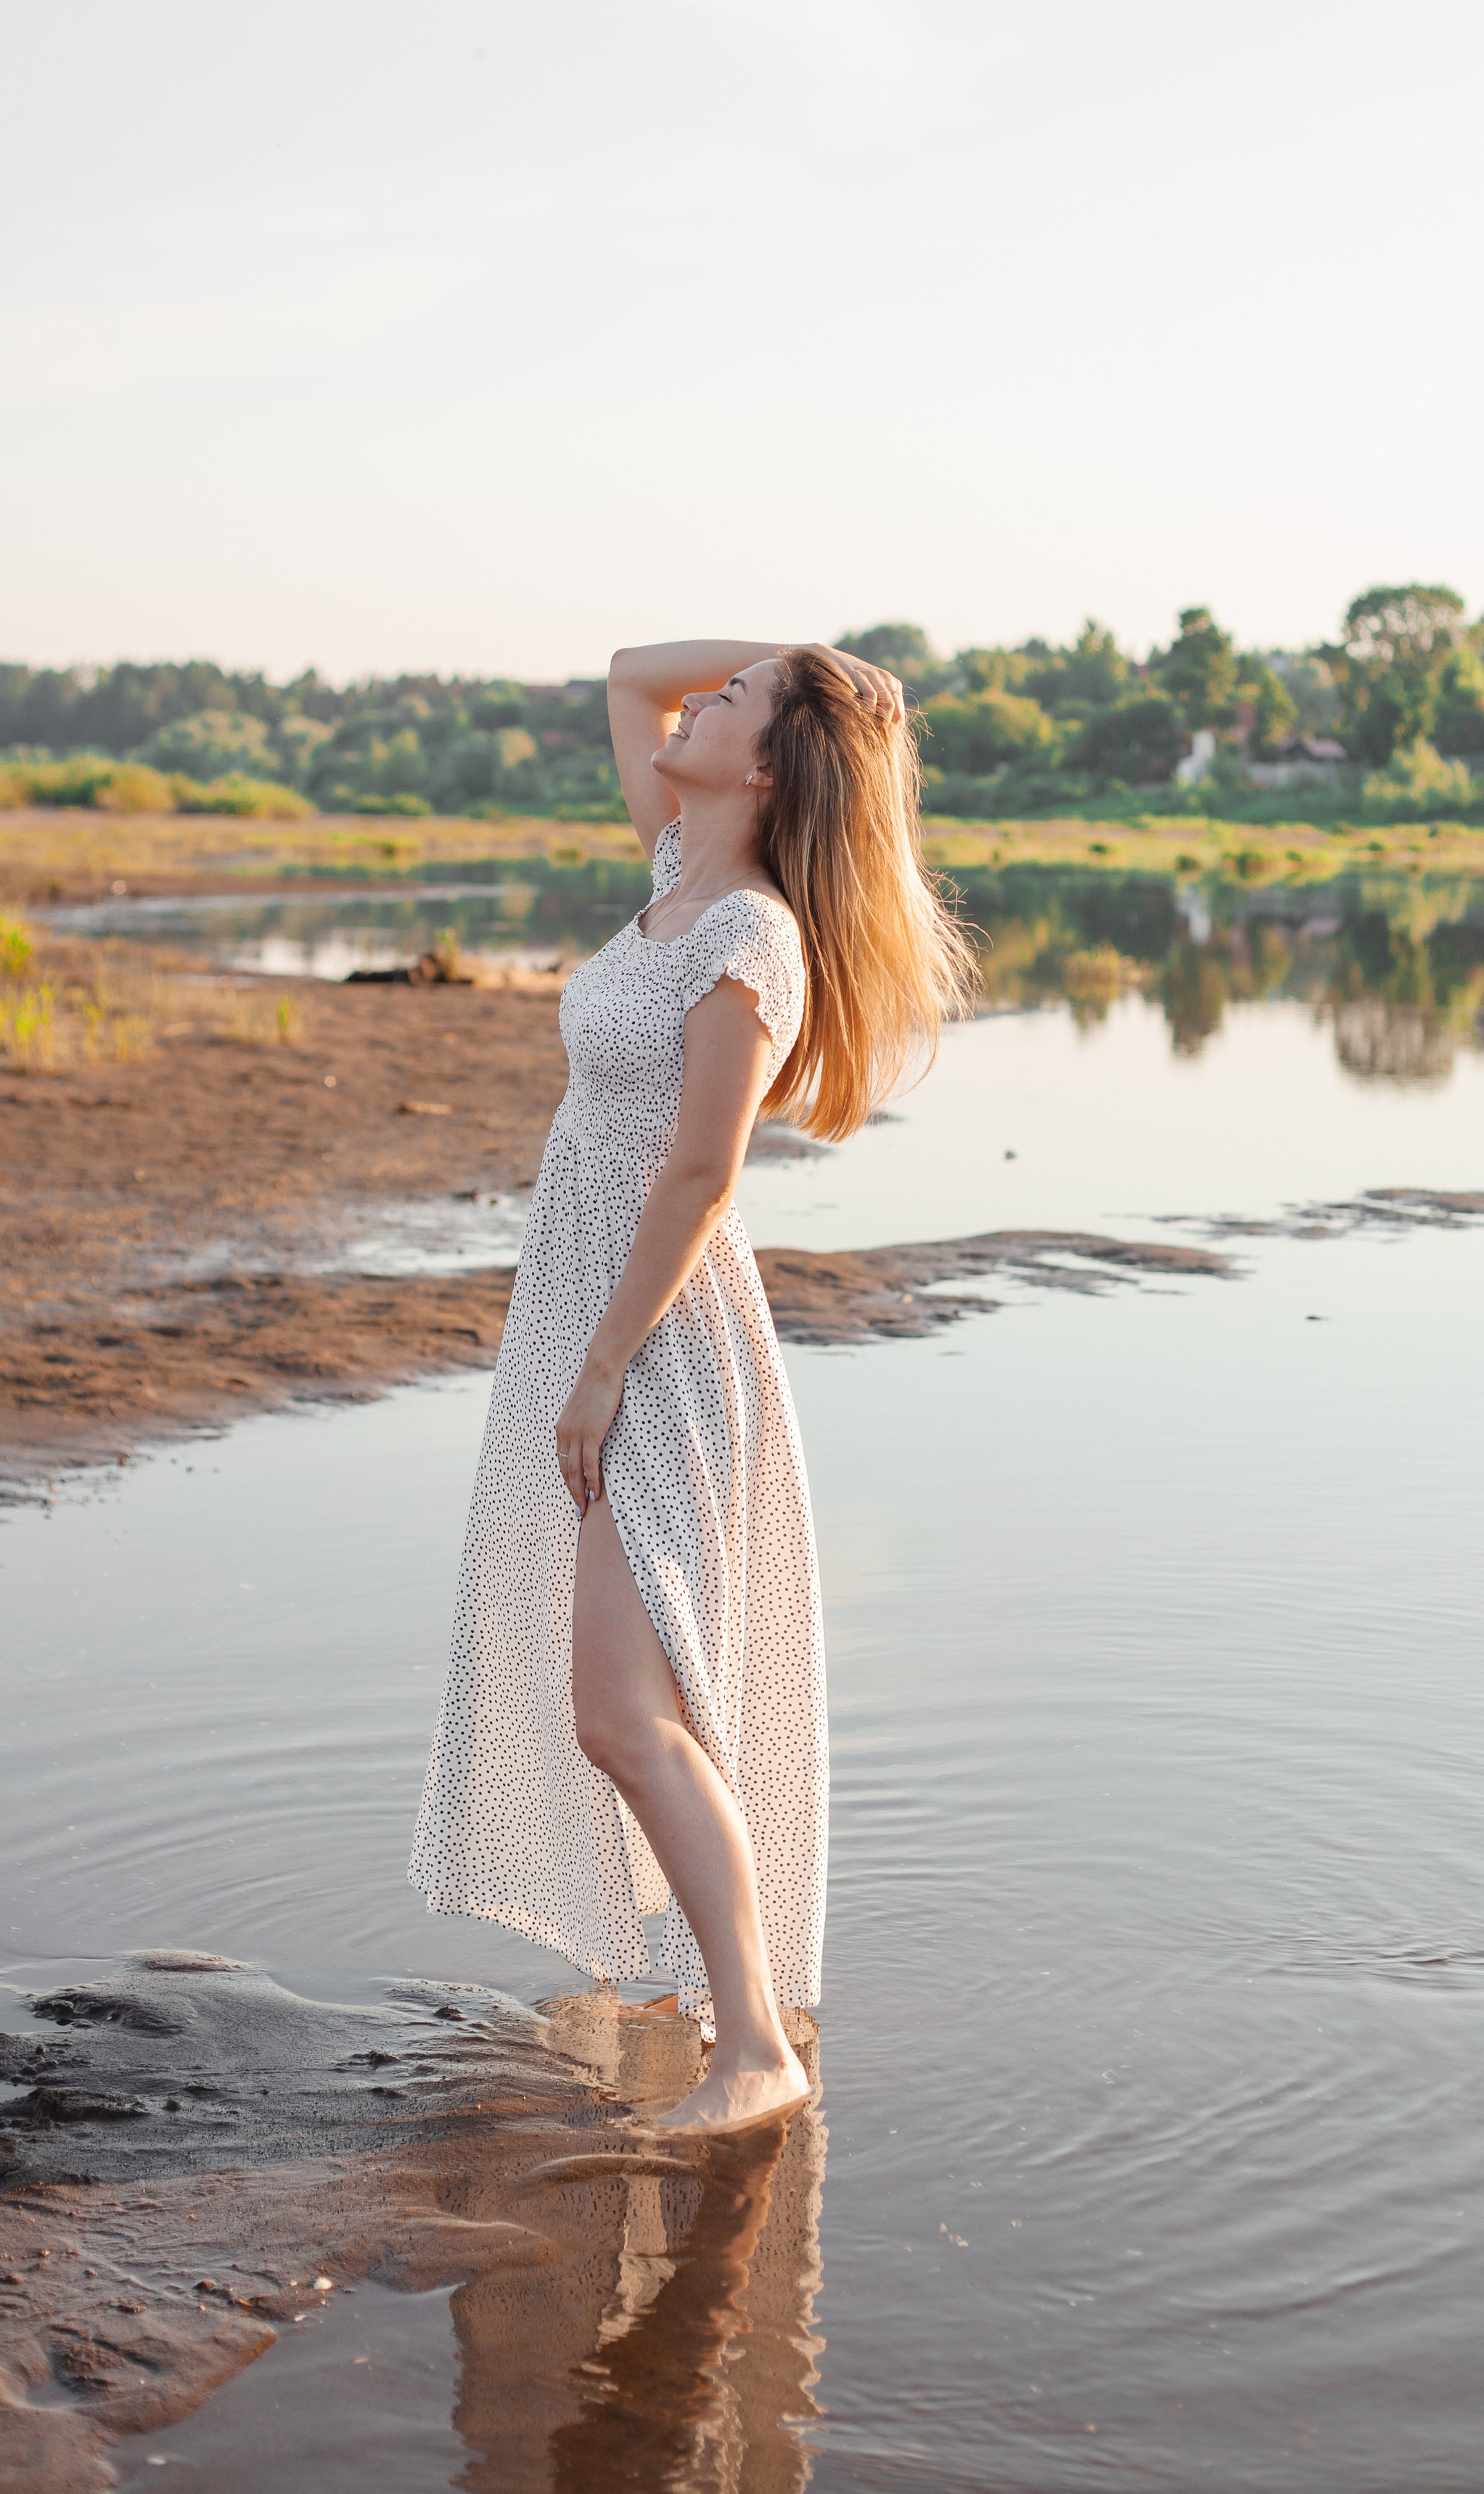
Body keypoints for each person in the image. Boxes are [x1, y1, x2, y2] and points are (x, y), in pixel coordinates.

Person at [409, 639, 974, 2133]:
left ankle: (756, 2053)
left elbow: (703, 1172)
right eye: (716, 698)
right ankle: (738, 2025)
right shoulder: (674, 867)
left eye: (734, 709)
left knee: (624, 1712)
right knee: (624, 1708)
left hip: (654, 1344)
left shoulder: (751, 938)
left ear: (772, 769)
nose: (696, 709)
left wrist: (599, 1370)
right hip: (597, 1328)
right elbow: (625, 677)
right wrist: (800, 671)